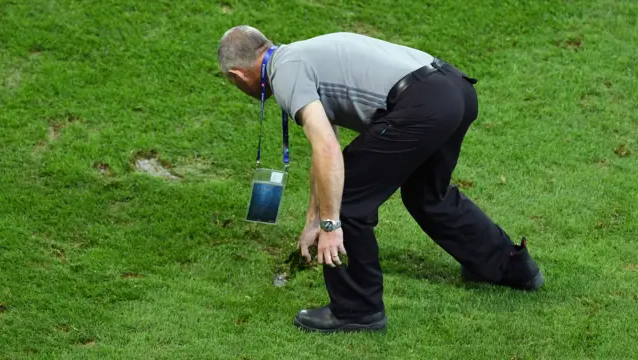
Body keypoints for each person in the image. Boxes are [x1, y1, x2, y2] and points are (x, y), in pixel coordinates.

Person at [217, 25, 544, 333]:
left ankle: (357, 309)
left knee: (347, 201)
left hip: (421, 105)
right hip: (454, 89)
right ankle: (512, 267)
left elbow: (328, 151)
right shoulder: (299, 55)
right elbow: (325, 154)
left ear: (237, 74)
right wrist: (312, 220)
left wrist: (330, 225)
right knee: (428, 196)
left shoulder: (285, 74)